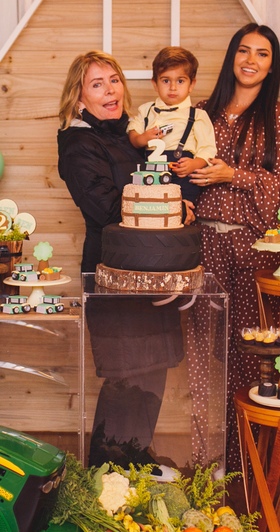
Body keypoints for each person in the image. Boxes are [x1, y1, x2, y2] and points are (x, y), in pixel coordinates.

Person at [56, 51, 192, 467]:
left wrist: (177, 207)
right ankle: (107, 474)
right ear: (80, 99)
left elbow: (154, 185)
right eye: (97, 84)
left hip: (149, 271)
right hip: (113, 275)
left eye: (113, 80)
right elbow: (104, 208)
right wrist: (166, 209)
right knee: (124, 378)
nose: (110, 90)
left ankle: (134, 462)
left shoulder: (128, 134)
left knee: (151, 374)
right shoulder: (78, 142)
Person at [184, 24, 280, 472]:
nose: (251, 60)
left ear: (272, 65)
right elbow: (179, 174)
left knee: (249, 352)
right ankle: (203, 457)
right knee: (201, 353)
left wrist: (233, 175)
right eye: (244, 51)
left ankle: (247, 459)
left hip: (254, 246)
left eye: (263, 54)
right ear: (232, 56)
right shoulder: (200, 113)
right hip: (205, 243)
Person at [128, 46, 218, 203]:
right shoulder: (146, 110)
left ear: (191, 84)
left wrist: (195, 163)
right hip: (152, 171)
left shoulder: (197, 116)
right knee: (151, 209)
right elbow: (133, 133)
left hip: (183, 174)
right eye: (165, 80)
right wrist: (143, 138)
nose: (173, 87)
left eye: (180, 81)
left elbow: (208, 149)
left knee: (179, 215)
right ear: (155, 84)